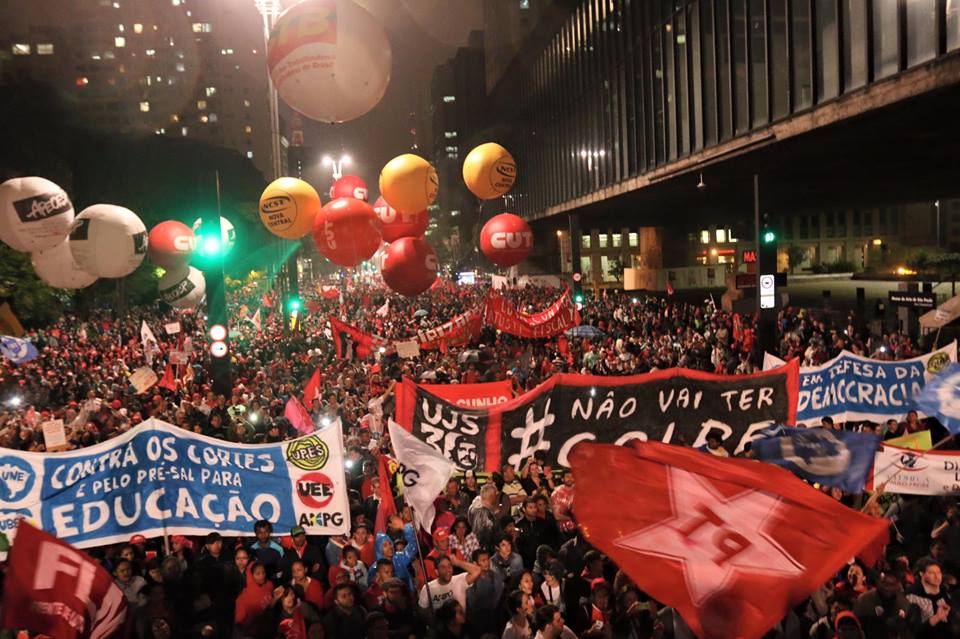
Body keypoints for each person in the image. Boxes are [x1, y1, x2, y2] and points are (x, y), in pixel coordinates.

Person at [906, 558, 954, 638]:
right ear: (921, 573)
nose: (937, 577)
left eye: (939, 573)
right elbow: (913, 630)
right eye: (932, 573)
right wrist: (936, 618)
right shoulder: (912, 596)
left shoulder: (944, 592)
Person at [853, 571, 910, 638]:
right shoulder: (863, 600)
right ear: (878, 581)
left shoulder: (904, 603)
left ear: (898, 585)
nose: (887, 588)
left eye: (891, 584)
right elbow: (855, 627)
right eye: (884, 583)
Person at [417, 555, 482, 613]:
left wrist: (457, 562)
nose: (448, 570)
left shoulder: (460, 580)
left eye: (449, 566)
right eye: (443, 567)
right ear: (436, 571)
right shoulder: (428, 588)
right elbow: (422, 611)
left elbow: (477, 570)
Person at [234, 561, 281, 639]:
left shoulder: (269, 585)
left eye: (263, 572)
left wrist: (276, 598)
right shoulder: (246, 594)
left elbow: (269, 607)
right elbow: (240, 620)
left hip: (269, 629)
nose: (262, 576)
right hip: (250, 633)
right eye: (258, 574)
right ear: (251, 575)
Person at [465, 548, 504, 637]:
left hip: (494, 619)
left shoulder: (495, 576)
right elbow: (472, 603)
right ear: (475, 563)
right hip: (477, 622)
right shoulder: (470, 579)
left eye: (487, 559)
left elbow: (498, 598)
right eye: (483, 560)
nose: (487, 562)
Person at [516, 497, 558, 569]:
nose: (534, 510)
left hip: (542, 560)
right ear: (524, 509)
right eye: (530, 507)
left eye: (535, 507)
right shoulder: (518, 525)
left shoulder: (543, 523)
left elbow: (551, 540)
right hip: (526, 562)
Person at [468, 482, 500, 549]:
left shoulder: (475, 507)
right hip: (483, 549)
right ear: (492, 496)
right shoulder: (482, 512)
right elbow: (482, 534)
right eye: (495, 495)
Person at [551, 470, 576, 537]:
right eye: (567, 477)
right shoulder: (557, 493)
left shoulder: (578, 490)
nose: (570, 479)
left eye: (571, 476)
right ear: (562, 479)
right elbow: (557, 516)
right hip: (565, 529)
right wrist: (572, 518)